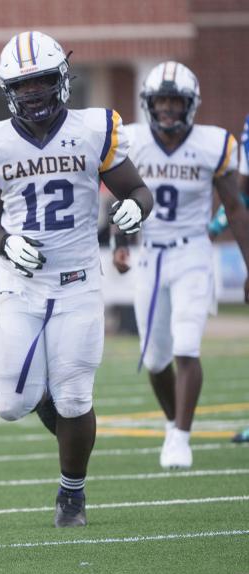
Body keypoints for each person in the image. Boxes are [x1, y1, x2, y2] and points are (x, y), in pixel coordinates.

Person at [0, 31, 153, 527]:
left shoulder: (94, 128)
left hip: (78, 280)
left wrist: (133, 208)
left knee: (75, 397)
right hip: (21, 284)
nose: (34, 93)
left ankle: (72, 493)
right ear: (8, 89)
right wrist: (5, 242)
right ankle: (51, 400)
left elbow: (136, 189)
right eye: (23, 85)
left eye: (43, 81)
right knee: (11, 405)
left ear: (62, 79)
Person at [112, 63, 249, 470]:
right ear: (149, 104)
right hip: (150, 252)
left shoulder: (212, 144)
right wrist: (121, 244)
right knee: (155, 359)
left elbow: (235, 209)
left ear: (191, 105)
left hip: (192, 250)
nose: (169, 109)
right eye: (162, 101)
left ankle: (181, 437)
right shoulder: (133, 140)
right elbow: (119, 195)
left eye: (176, 101)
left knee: (186, 344)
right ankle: (175, 423)